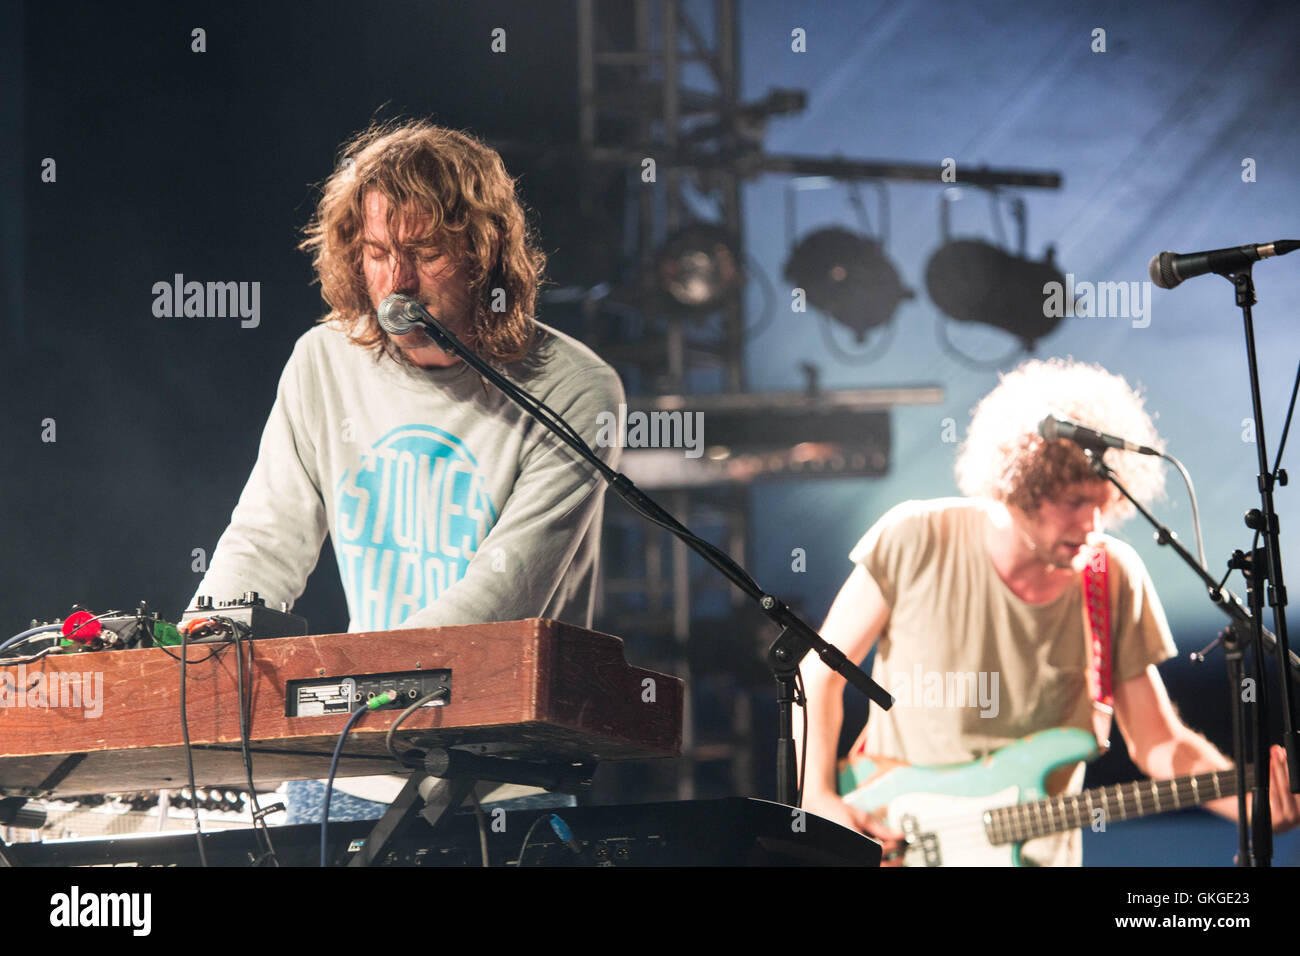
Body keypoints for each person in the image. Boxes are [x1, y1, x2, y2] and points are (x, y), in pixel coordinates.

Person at [189, 119, 624, 819]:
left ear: (485, 256)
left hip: (506, 784)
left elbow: (501, 595)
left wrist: (355, 689)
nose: (399, 284)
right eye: (378, 252)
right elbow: (266, 539)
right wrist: (201, 653)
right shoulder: (323, 362)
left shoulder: (572, 386)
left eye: (426, 254)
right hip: (346, 772)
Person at [798, 358, 1299, 865]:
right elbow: (817, 673)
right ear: (1018, 484)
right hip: (894, 839)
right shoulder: (914, 537)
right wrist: (817, 798)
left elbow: (1158, 742)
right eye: (1074, 502)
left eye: (1102, 503)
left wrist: (1247, 802)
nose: (1092, 523)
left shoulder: (1112, 576)